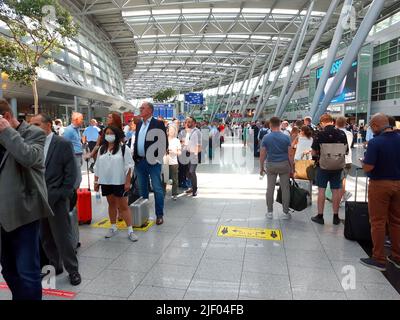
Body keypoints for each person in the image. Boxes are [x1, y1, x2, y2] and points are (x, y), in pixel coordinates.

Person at [0, 98, 53, 300]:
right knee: (8, 270)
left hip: (24, 212)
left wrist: (7, 133)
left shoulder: (34, 133)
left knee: (27, 272)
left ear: (5, 117)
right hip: (2, 215)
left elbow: (31, 158)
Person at [30, 114, 81, 286]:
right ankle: (55, 265)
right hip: (38, 198)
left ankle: (73, 270)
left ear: (48, 125)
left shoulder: (62, 144)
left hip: (57, 199)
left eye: (36, 124)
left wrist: (63, 194)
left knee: (62, 236)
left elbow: (71, 172)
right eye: (31, 124)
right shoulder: (32, 144)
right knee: (45, 236)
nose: (33, 127)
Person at [360, 113, 400, 271]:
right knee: (396, 221)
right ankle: (397, 256)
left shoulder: (375, 142)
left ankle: (378, 258)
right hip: (399, 183)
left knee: (377, 222)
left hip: (380, 185)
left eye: (371, 126)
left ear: (376, 126)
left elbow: (368, 167)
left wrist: (363, 163)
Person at [94, 126, 137, 241]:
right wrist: (96, 181)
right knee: (111, 204)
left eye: (111, 133)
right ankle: (113, 227)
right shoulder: (102, 149)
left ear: (116, 135)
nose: (109, 135)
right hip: (106, 182)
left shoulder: (123, 148)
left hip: (119, 182)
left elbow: (129, 166)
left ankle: (130, 230)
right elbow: (97, 166)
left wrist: (127, 182)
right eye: (107, 133)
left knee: (123, 206)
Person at [133, 102, 168, 225]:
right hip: (140, 162)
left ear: (150, 111)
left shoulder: (158, 124)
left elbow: (164, 143)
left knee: (157, 189)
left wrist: (157, 158)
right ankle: (144, 215)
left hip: (153, 162)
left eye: (143, 108)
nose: (140, 109)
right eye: (140, 108)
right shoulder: (139, 124)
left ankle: (159, 215)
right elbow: (137, 141)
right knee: (143, 190)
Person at [311, 114, 348, 225]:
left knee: (321, 190)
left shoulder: (320, 134)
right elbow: (346, 151)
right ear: (332, 121)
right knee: (335, 190)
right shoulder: (342, 133)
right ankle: (336, 217)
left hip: (323, 166)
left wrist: (317, 158)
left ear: (322, 122)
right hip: (337, 166)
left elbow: (313, 152)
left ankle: (320, 216)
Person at [259, 116, 292, 220]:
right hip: (284, 165)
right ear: (280, 124)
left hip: (271, 165)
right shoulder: (286, 137)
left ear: (270, 125)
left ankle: (269, 212)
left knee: (270, 188)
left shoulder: (266, 138)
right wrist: (293, 168)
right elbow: (290, 155)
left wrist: (261, 167)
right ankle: (285, 213)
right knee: (285, 188)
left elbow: (262, 154)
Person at [63, 112, 84, 190]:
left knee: (78, 178)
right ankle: (73, 195)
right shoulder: (69, 130)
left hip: (78, 155)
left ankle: (74, 194)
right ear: (76, 119)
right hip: (73, 155)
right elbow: (65, 144)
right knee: (77, 179)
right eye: (81, 119)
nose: (82, 121)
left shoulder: (77, 129)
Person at [336, 117, 353, 206]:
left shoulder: (336, 133)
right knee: (343, 180)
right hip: (348, 159)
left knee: (336, 180)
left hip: (337, 159)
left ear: (336, 123)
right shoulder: (349, 133)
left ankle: (337, 199)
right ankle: (341, 198)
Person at [183, 117, 202, 197]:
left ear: (194, 123)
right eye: (187, 122)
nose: (188, 123)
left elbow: (199, 144)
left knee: (192, 171)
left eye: (190, 122)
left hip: (194, 154)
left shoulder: (197, 132)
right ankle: (190, 187)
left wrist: (196, 154)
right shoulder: (188, 132)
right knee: (188, 172)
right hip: (187, 153)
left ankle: (195, 189)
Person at [167, 125, 181, 200]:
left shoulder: (177, 140)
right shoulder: (164, 139)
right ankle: (162, 194)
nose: (171, 132)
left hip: (173, 162)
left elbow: (179, 152)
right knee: (163, 179)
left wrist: (174, 152)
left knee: (174, 179)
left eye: (173, 130)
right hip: (165, 162)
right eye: (170, 130)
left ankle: (174, 193)